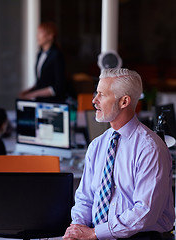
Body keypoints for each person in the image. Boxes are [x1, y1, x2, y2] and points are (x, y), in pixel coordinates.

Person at [63, 68, 175, 240]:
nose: (94, 101)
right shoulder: (97, 145)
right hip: (95, 234)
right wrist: (77, 227)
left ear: (124, 102)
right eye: (96, 93)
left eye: (102, 95)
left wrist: (95, 233)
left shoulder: (151, 149)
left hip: (141, 236)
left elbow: (145, 211)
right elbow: (85, 198)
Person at [19, 22, 66, 102]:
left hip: (52, 102)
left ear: (50, 36)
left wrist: (32, 94)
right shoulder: (40, 54)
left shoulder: (57, 55)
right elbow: (41, 82)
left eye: (40, 33)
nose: (37, 36)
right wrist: (29, 91)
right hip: (41, 101)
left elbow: (58, 87)